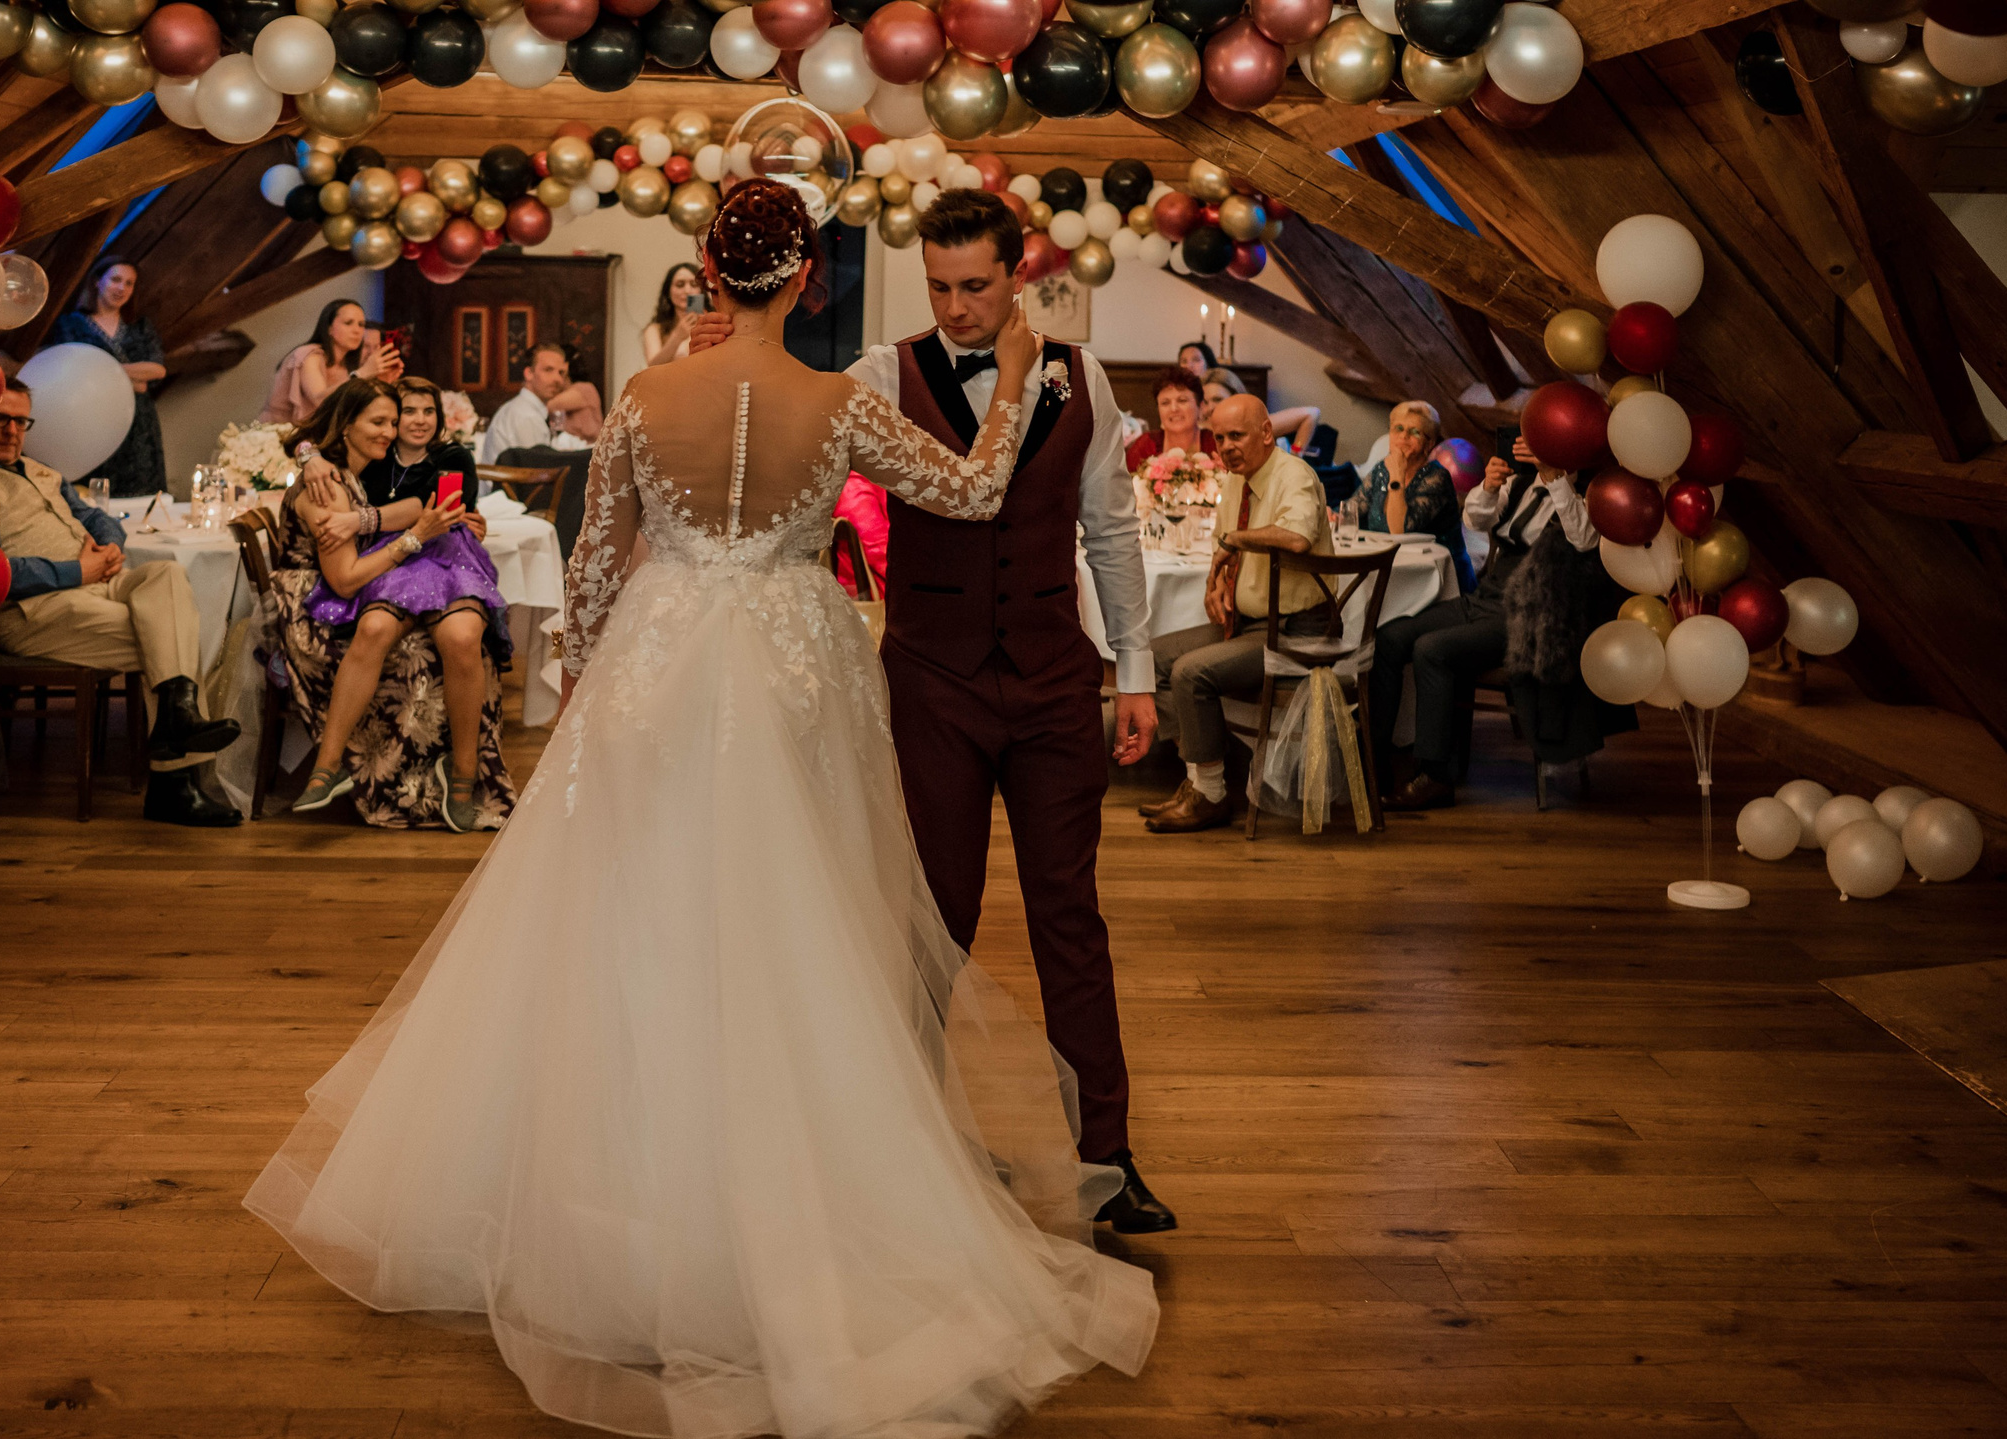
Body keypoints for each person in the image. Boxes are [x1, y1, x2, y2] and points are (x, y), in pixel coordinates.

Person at [247, 179, 1158, 1439]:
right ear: (807, 279)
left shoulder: (641, 397)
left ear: (710, 273)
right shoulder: (840, 399)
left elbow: (593, 559)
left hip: (659, 666)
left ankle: (626, 1204)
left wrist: (583, 683)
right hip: (787, 667)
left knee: (642, 923)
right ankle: (791, 1191)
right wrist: (1009, 382)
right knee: (790, 921)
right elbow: (972, 489)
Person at [698, 187, 1172, 1233]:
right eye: (940, 287)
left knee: (1070, 917)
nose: (956, 308)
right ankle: (901, 1148)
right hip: (931, 685)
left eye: (976, 286)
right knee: (930, 921)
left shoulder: (1083, 378)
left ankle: (1109, 1155)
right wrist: (721, 365)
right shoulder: (880, 373)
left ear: (1018, 275)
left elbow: (1109, 529)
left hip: (1053, 680)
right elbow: (779, 439)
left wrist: (1134, 668)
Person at [0, 380, 242, 827]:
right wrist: (75, 572)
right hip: (35, 609)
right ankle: (174, 782)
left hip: (99, 583)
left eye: (21, 421)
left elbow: (95, 515)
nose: (12, 431)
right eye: (0, 419)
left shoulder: (41, 470)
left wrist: (110, 543)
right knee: (173, 636)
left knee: (164, 576)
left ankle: (176, 724)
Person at [279, 377, 510, 831]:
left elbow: (429, 506)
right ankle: (327, 767)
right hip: (390, 563)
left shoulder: (448, 457)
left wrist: (359, 519)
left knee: (462, 638)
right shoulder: (362, 463)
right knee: (374, 629)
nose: (397, 427)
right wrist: (310, 456)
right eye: (396, 417)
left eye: (427, 412)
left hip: (442, 556)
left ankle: (463, 773)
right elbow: (307, 435)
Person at [1371, 436, 1600, 811]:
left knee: (1432, 650)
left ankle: (1436, 777)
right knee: (1389, 638)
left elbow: (1584, 540)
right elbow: (1474, 520)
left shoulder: (1589, 493)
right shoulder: (1521, 483)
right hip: (1488, 595)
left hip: (1532, 616)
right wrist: (1490, 487)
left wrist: (1556, 478)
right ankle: (1375, 759)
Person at [1142, 392, 1335, 834]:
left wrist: (1237, 541)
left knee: (1191, 672)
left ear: (1266, 433)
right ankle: (1201, 783)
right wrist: (1218, 585)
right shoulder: (1235, 481)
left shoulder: (1293, 474)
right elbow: (1223, 544)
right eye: (1219, 438)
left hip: (1297, 631)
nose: (1226, 447)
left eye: (1237, 436)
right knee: (1151, 658)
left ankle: (1211, 796)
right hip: (1249, 623)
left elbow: (1297, 538)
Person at [51, 257, 170, 498]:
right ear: (97, 281)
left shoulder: (140, 326)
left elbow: (158, 370)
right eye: (116, 280)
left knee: (143, 494)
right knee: (96, 494)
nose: (121, 288)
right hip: (93, 417)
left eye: (129, 283)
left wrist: (103, 368)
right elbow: (75, 371)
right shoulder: (71, 324)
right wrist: (135, 377)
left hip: (139, 422)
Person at [1358, 400, 1469, 583]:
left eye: (1415, 432)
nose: (1404, 436)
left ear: (1429, 443)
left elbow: (1399, 531)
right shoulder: (1381, 470)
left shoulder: (1437, 477)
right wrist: (1334, 515)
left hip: (1432, 577)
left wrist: (1397, 476)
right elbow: (1353, 509)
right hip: (1388, 568)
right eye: (1398, 428)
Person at [261, 298, 403, 426]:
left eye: (361, 324)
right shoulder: (309, 355)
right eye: (348, 323)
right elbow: (320, 401)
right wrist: (362, 374)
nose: (357, 330)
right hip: (275, 433)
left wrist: (383, 382)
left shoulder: (348, 366)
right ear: (329, 328)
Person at [477, 342, 600, 463]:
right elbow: (539, 470)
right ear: (529, 373)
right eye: (548, 370)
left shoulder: (528, 410)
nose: (558, 379)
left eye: (561, 373)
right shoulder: (525, 415)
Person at [1201, 366, 1319, 457]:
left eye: (1218, 400)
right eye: (1205, 402)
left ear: (1236, 397)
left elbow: (1311, 413)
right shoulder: (1198, 429)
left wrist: (1296, 454)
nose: (1210, 408)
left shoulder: (1255, 425)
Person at [1124, 367, 1217, 472]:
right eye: (1165, 403)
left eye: (1182, 400)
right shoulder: (1146, 447)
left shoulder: (1215, 444)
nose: (1174, 409)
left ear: (1201, 406)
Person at [639, 260, 705, 366]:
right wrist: (677, 336)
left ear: (701, 291)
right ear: (668, 292)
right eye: (680, 285)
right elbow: (652, 368)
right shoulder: (655, 330)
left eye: (693, 284)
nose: (687, 290)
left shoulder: (710, 323)